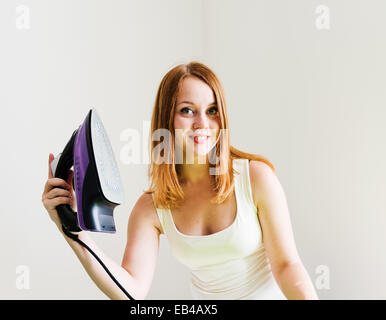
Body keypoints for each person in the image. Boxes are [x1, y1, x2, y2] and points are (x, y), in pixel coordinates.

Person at [42, 61, 318, 300]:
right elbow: (131, 291)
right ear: (167, 118)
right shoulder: (152, 207)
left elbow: (286, 265)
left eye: (212, 110)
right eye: (187, 110)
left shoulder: (256, 178)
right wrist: (76, 235)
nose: (202, 123)